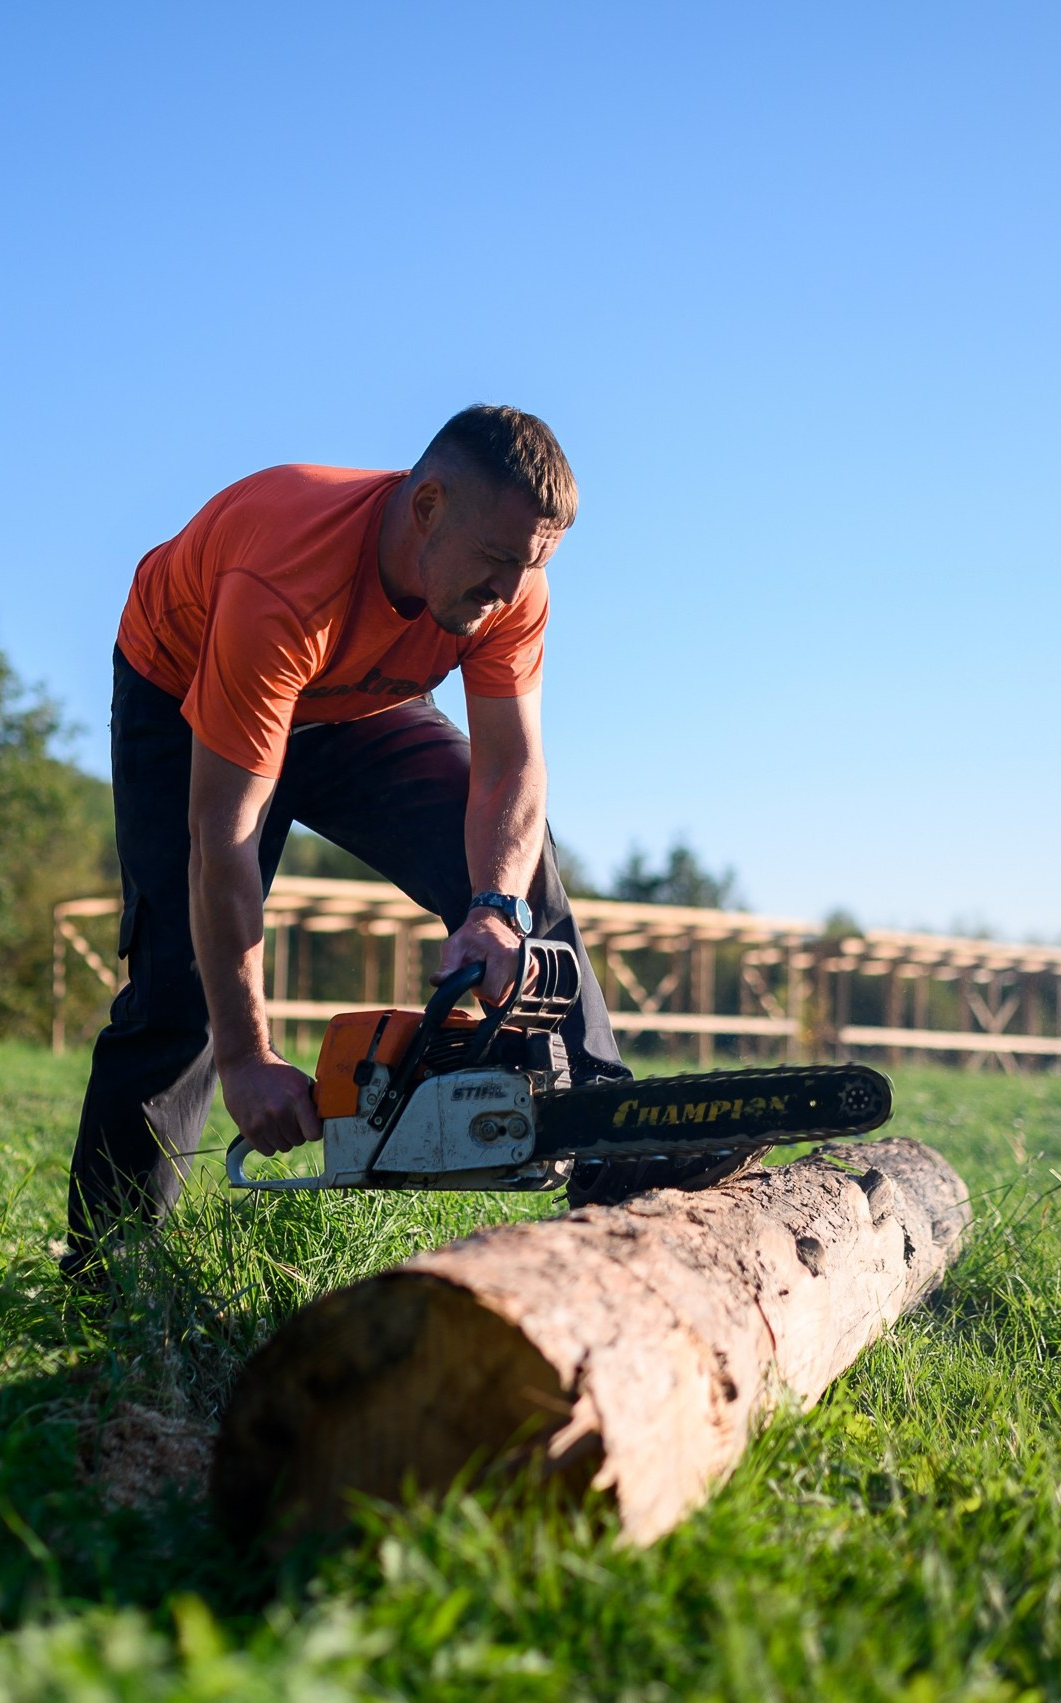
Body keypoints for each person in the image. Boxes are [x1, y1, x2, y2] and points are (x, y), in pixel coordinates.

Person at [66, 405, 684, 1278]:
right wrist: (247, 1057)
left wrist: (494, 910)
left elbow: (510, 771)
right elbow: (222, 839)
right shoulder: (285, 574)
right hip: (193, 689)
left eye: (532, 565)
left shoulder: (511, 581)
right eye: (498, 562)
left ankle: (608, 1140)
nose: (511, 592)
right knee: (183, 988)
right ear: (426, 506)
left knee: (520, 871)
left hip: (360, 701)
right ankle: (107, 1277)